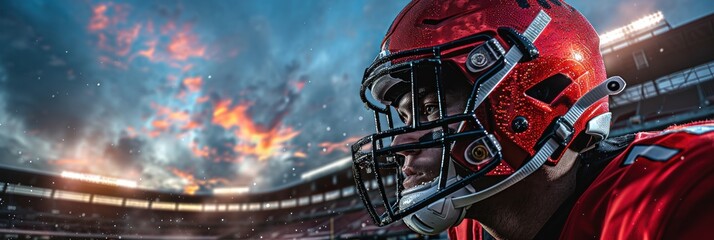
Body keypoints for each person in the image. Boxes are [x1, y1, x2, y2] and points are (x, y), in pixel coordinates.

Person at [349, 0, 714, 239]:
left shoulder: (680, 192)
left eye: (429, 109)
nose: (399, 144)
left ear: (537, 99)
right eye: (405, 117)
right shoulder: (473, 226)